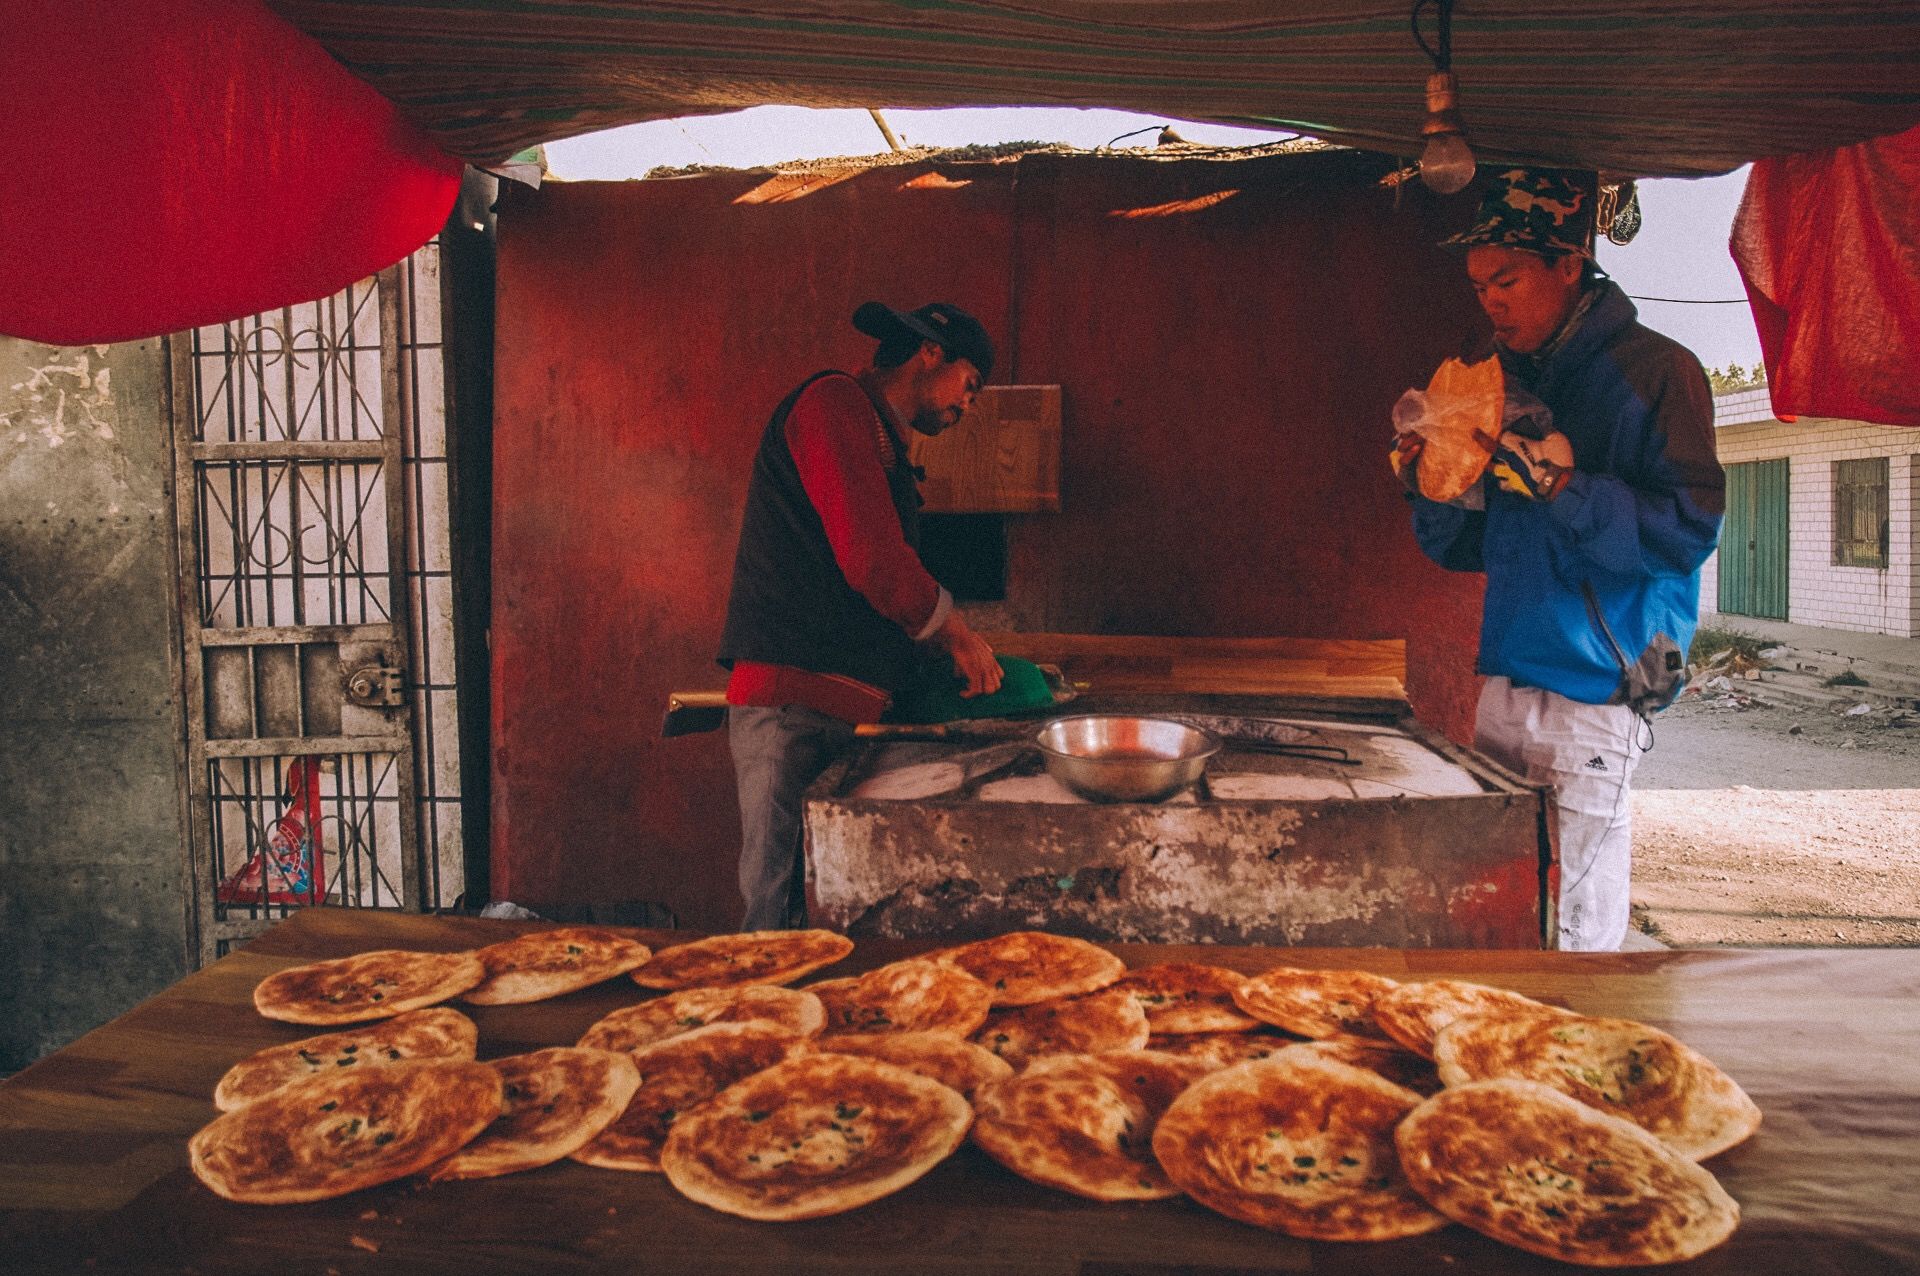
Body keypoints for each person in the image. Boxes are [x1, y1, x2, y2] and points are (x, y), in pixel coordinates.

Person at [1395, 168, 1725, 952]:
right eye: (1479, 285)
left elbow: (1687, 529)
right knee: (1503, 910)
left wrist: (1563, 485)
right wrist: (1432, 489)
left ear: (1568, 264)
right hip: (1507, 680)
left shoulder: (1656, 373)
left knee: (1572, 932)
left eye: (1506, 279)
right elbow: (1476, 548)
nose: (1490, 301)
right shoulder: (1498, 384)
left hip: (1598, 690)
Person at [717, 300, 1004, 931]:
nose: (967, 404)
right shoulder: (833, 404)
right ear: (931, 353)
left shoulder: (882, 435)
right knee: (781, 918)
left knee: (824, 917)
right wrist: (955, 632)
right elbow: (872, 558)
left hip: (836, 711)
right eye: (970, 384)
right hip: (790, 708)